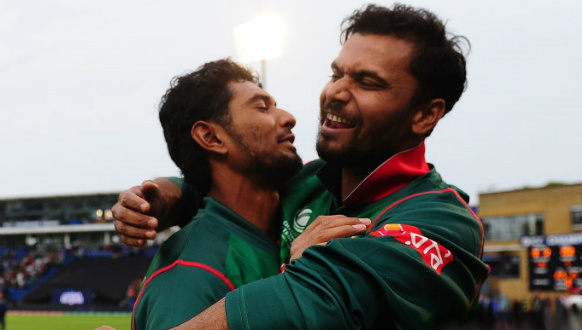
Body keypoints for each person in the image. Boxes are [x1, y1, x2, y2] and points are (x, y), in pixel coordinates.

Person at [114, 4, 490, 330]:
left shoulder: (441, 223)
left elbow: (318, 297)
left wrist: (300, 269)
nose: (335, 92)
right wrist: (161, 198)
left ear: (425, 114)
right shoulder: (309, 181)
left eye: (368, 82)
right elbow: (227, 192)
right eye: (336, 73)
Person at [127, 59, 369, 330]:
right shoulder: (189, 274)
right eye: (262, 108)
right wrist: (296, 280)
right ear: (211, 137)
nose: (288, 117)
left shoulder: (307, 195)